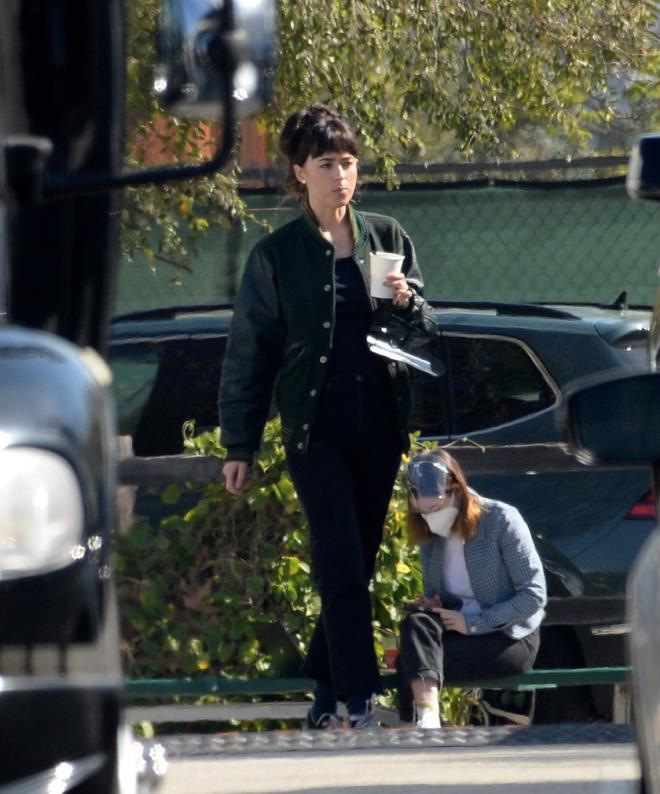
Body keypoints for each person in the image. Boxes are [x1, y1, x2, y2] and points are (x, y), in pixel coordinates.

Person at [219, 103, 436, 729]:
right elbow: (249, 353)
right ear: (299, 173)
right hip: (316, 431)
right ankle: (360, 699)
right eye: (326, 165)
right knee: (340, 558)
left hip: (379, 427)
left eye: (348, 164)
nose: (341, 176)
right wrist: (240, 444)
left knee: (356, 562)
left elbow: (423, 331)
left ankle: (322, 689)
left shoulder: (387, 236)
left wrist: (409, 302)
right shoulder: (276, 255)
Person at [398, 448, 547, 730]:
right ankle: (427, 719)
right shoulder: (430, 534)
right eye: (424, 511)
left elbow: (534, 595)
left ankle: (419, 725)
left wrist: (474, 624)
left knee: (411, 663)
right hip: (457, 632)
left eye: (436, 508)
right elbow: (441, 595)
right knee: (415, 627)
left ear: (457, 492)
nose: (431, 517)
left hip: (509, 636)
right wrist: (432, 604)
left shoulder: (501, 519)